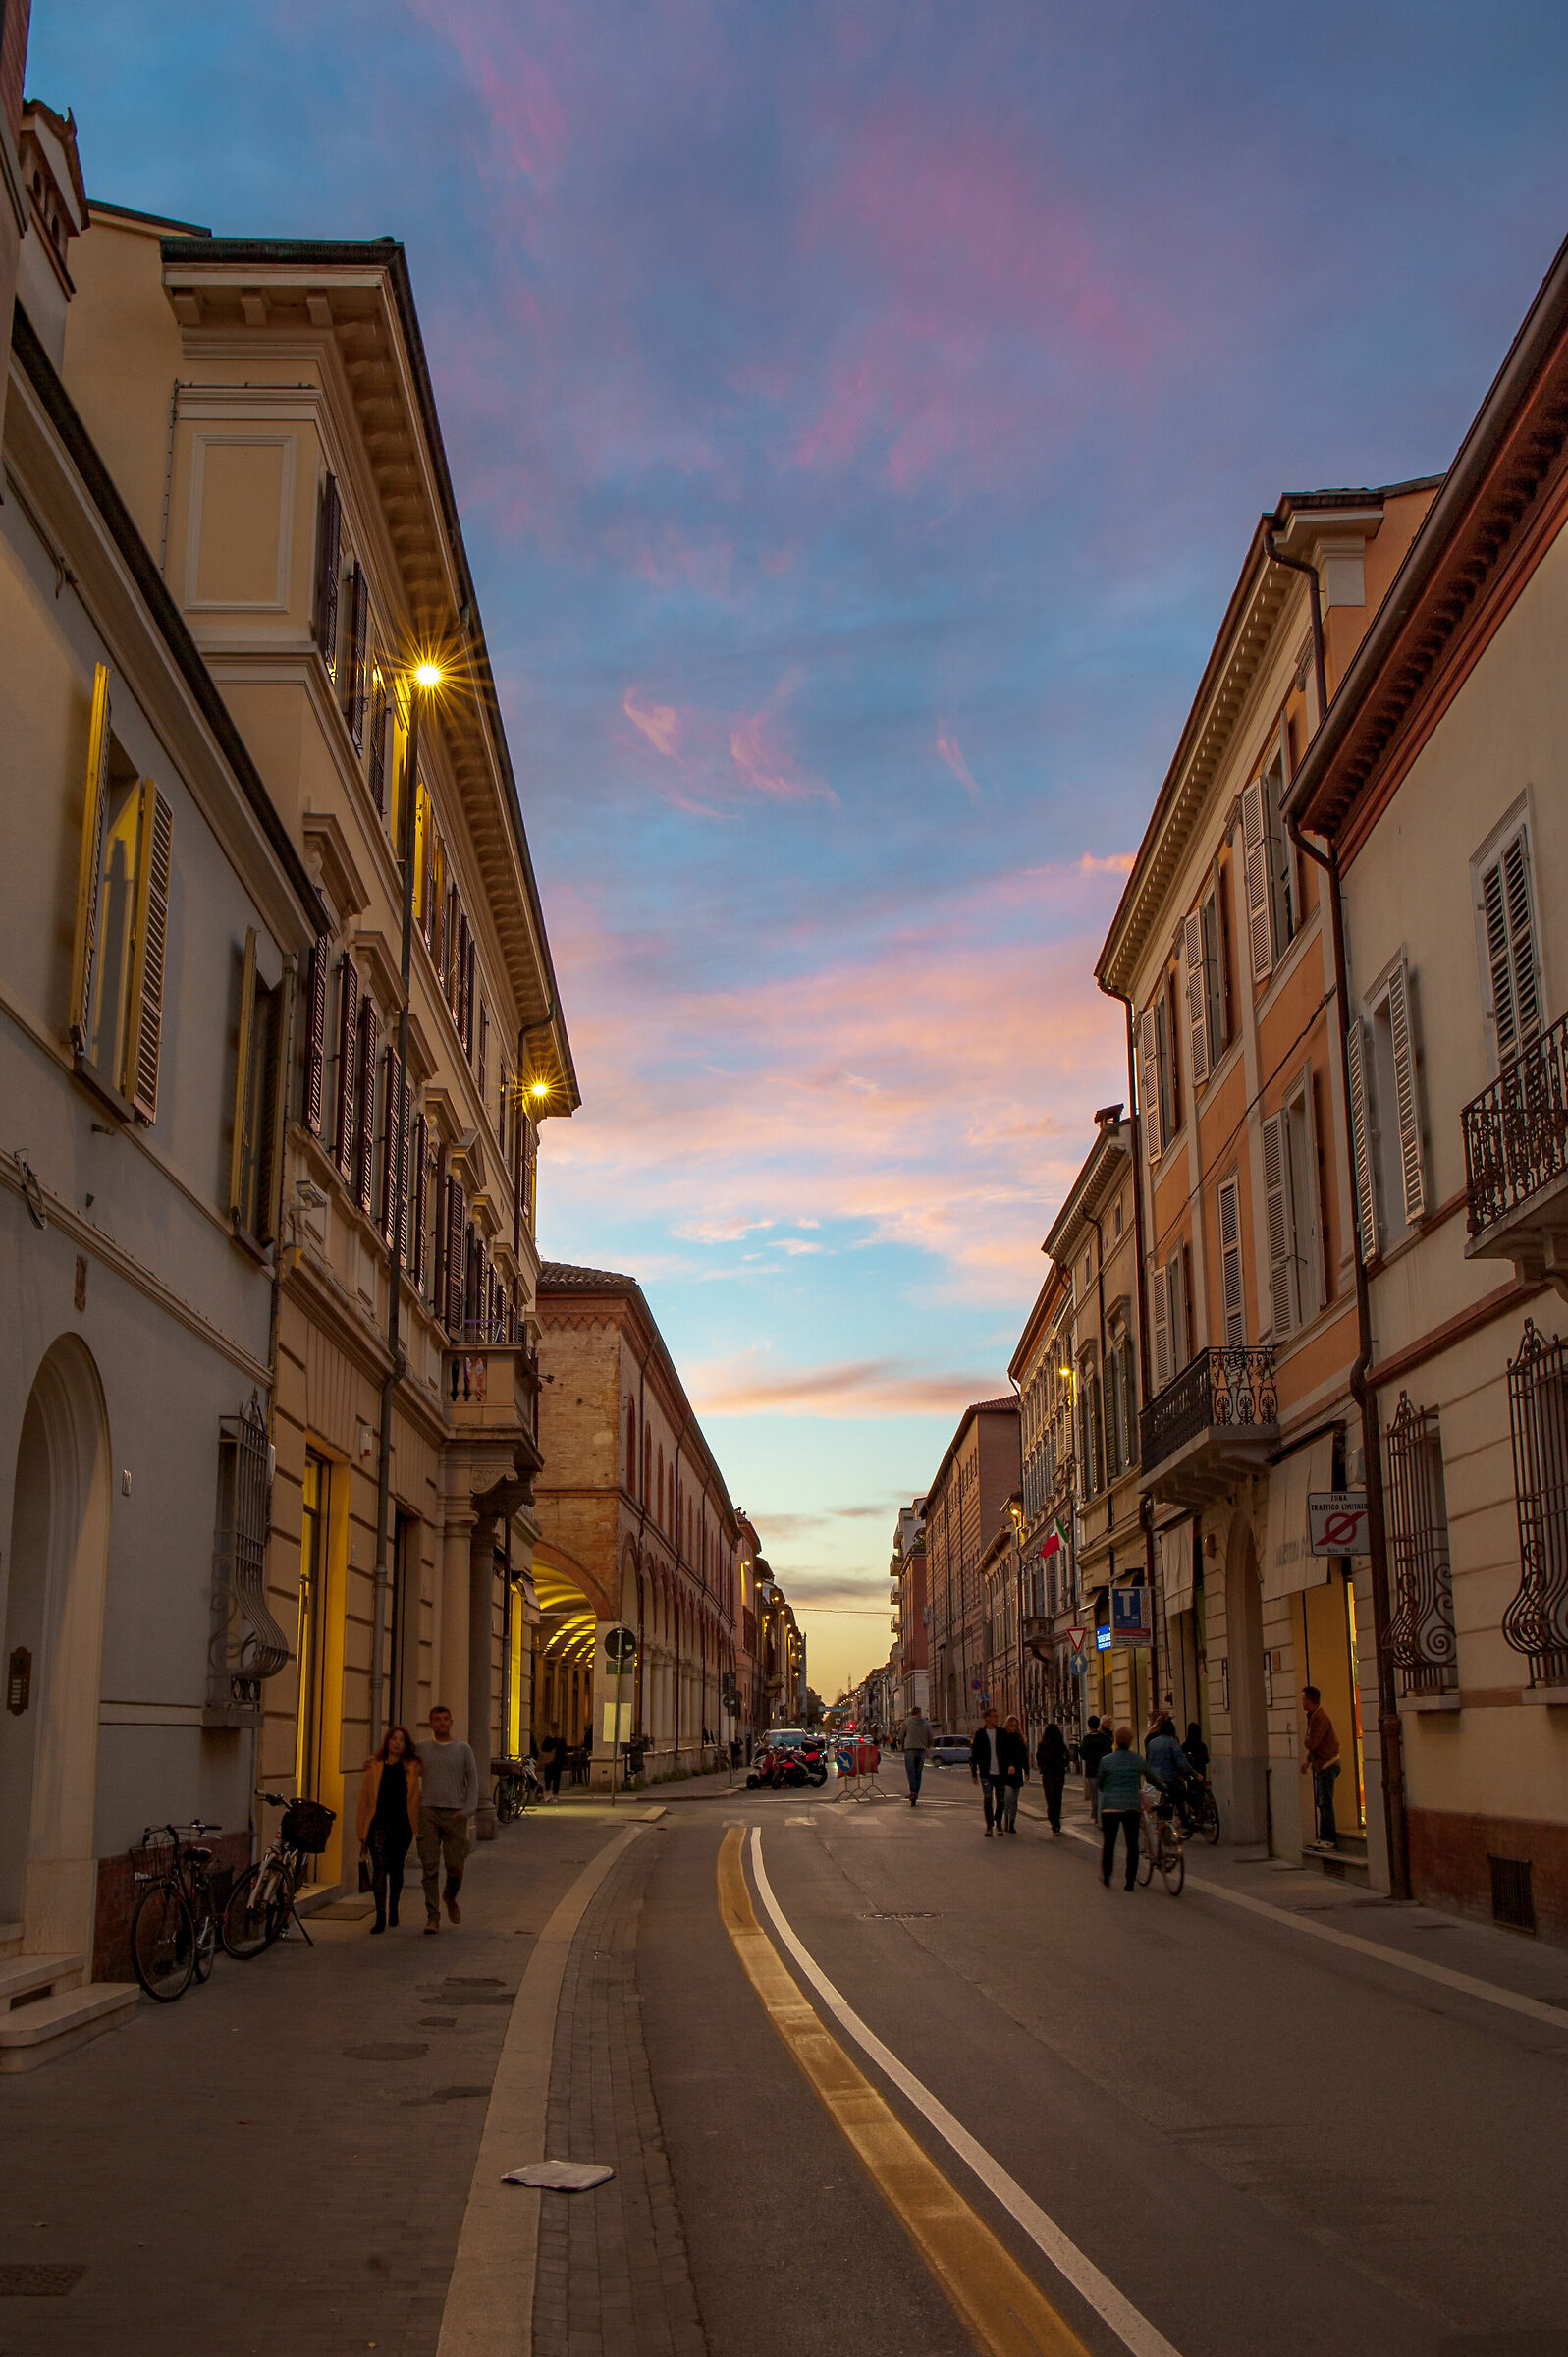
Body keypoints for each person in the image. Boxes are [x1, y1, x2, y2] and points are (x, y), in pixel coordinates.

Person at [355, 1725, 422, 1935]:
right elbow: (365, 1799)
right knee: (379, 1868)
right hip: (378, 1823)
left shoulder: (412, 1766)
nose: (396, 1743)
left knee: (396, 1869)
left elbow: (432, 1762)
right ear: (387, 1741)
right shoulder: (374, 1766)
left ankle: (393, 1907)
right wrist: (362, 1831)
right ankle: (380, 1916)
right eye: (393, 1739)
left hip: (402, 1824)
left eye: (401, 1740)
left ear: (406, 1744)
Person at [417, 1704, 477, 1935]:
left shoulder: (463, 1750)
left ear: (451, 1722)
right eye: (437, 1719)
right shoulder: (422, 1749)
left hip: (455, 1814)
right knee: (429, 1866)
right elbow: (398, 1760)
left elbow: (473, 1780)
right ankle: (432, 1916)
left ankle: (449, 1896)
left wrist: (468, 1809)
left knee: (455, 1866)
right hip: (429, 1811)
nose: (441, 1723)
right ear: (431, 1723)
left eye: (445, 1719)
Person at [1096, 1724, 1152, 1891]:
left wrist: (1108, 1789)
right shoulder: (1137, 1759)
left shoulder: (1106, 1760)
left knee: (1109, 1843)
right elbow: (1152, 1777)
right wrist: (1164, 1787)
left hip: (1110, 1807)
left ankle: (1107, 1876)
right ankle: (1129, 1881)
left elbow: (1099, 1782)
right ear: (1131, 1741)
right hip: (1131, 1806)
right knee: (1132, 1844)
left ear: (1116, 1741)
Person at [1301, 1686, 1342, 1843]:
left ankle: (1329, 1838)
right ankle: (1324, 1836)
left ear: (1310, 1700)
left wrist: (1307, 1742)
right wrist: (1307, 1761)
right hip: (1322, 1765)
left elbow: (1313, 1743)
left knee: (1325, 1802)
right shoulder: (1313, 1717)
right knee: (1322, 1802)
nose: (1302, 1701)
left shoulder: (1319, 1718)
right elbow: (1313, 1745)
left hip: (1328, 1765)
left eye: (1303, 1698)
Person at [969, 1707, 1007, 1836]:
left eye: (997, 1716)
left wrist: (1010, 1765)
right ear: (987, 1718)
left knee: (1001, 1800)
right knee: (987, 1798)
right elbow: (974, 1756)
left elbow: (1008, 1752)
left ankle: (998, 1821)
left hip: (1000, 1772)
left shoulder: (1002, 1733)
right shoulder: (980, 1735)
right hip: (986, 1772)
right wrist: (974, 1773)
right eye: (994, 1716)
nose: (997, 1719)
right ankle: (989, 1826)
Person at [997, 1715, 1030, 1833]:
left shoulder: (1020, 1739)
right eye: (1012, 1725)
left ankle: (1012, 1823)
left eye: (1016, 1726)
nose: (1014, 1728)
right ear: (1007, 1725)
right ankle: (1005, 1819)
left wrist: (1026, 1770)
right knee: (1008, 1797)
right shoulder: (1003, 1738)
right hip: (1006, 1773)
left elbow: (1023, 1756)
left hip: (1017, 1773)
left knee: (1015, 1799)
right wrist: (1008, 1765)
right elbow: (1001, 1755)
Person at [1035, 1721, 1069, 1835]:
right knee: (1057, 1799)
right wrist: (1062, 1766)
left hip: (1047, 1775)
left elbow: (1038, 1758)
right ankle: (1056, 1823)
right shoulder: (1061, 1745)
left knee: (1050, 1799)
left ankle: (1053, 1819)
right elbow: (1067, 1757)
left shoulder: (1042, 1745)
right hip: (1059, 1775)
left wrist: (1043, 1768)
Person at [1080, 1715, 1112, 1824]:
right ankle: (1104, 1813)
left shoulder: (1086, 1739)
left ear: (1089, 1726)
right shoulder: (1104, 1738)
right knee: (1103, 1793)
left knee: (1094, 1794)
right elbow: (1110, 1752)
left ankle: (1096, 1816)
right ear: (1098, 1724)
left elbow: (1082, 1753)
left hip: (1091, 1770)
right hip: (1104, 1770)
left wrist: (1091, 1758)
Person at [900, 1704, 933, 1806]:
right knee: (918, 1773)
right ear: (920, 1712)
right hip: (921, 1750)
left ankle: (913, 1792)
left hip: (910, 1749)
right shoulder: (926, 1723)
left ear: (912, 1713)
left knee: (911, 1773)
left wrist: (903, 1745)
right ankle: (916, 1794)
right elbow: (931, 1736)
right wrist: (927, 1746)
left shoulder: (907, 1722)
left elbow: (901, 1735)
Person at [539, 1729, 565, 1802]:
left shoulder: (549, 1740)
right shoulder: (559, 1740)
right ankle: (554, 1795)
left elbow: (543, 1748)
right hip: (555, 1763)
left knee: (549, 1779)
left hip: (551, 1763)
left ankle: (550, 1794)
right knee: (554, 1779)